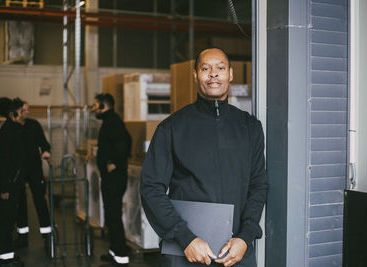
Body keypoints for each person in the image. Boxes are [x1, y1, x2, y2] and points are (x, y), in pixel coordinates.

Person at [140, 47, 268, 267]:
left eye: (220, 68)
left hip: (236, 251)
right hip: (185, 251)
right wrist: (184, 238)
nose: (213, 74)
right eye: (205, 68)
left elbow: (258, 185)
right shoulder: (172, 128)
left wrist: (245, 237)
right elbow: (151, 188)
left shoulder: (250, 127)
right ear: (195, 75)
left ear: (230, 74)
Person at [92, 93, 132, 266]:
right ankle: (115, 251)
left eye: (95, 105)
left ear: (103, 106)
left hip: (114, 178)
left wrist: (113, 162)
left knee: (113, 215)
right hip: (111, 177)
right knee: (110, 214)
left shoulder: (112, 121)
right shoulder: (110, 121)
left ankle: (121, 255)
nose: (93, 108)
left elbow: (125, 142)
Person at [14, 101, 52, 250]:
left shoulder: (34, 125)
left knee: (40, 200)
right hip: (18, 170)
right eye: (25, 110)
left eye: (28, 109)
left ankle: (47, 234)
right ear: (17, 112)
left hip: (34, 169)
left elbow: (43, 142)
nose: (28, 112)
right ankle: (22, 236)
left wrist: (46, 150)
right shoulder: (12, 127)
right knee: (20, 202)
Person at [0, 97, 26, 267]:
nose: (23, 115)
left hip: (13, 184)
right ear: (12, 114)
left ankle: (1, 252)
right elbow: (3, 162)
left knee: (6, 220)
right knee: (7, 221)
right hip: (9, 185)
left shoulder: (13, 131)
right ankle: (6, 257)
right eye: (21, 112)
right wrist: (5, 187)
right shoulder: (8, 133)